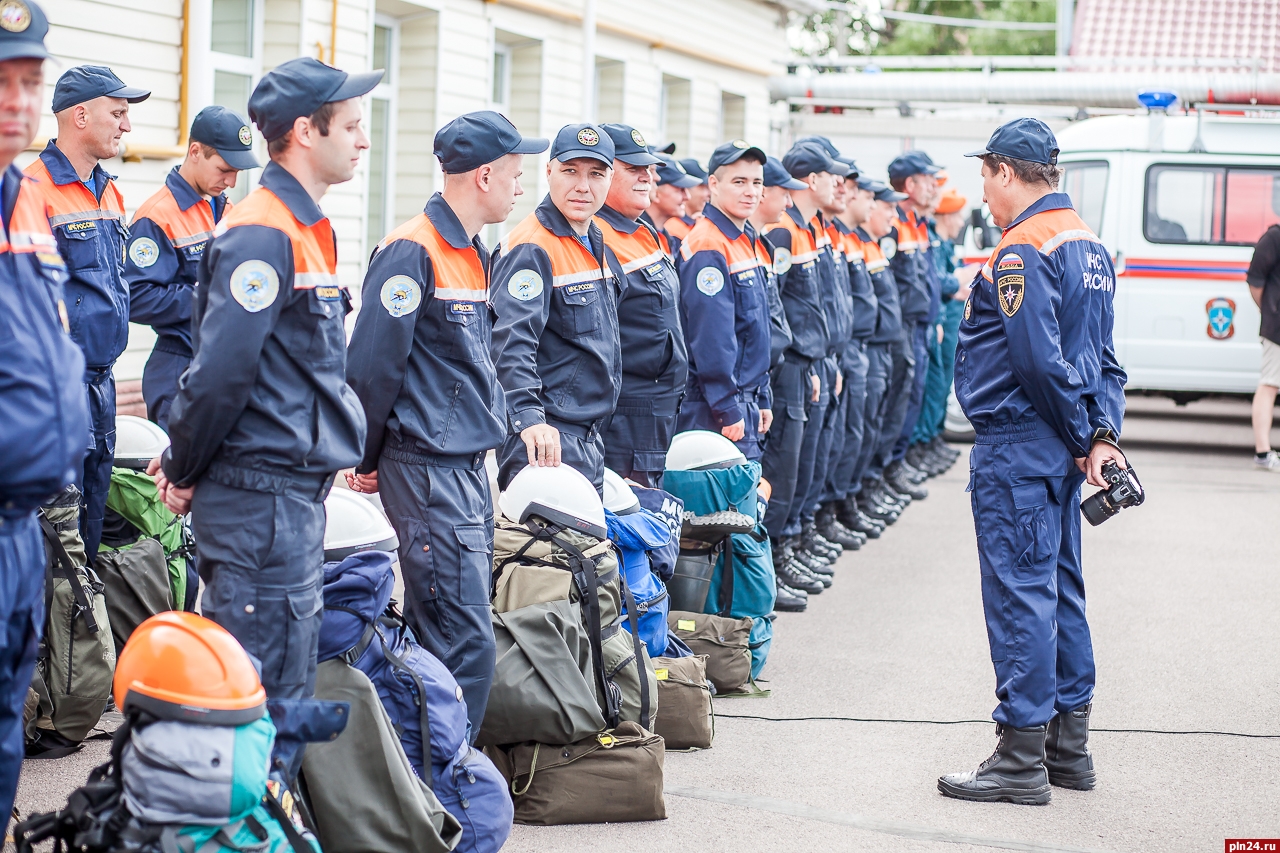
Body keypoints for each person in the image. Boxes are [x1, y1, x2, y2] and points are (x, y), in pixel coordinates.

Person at [153, 58, 379, 723]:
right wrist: (182, 464)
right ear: (307, 132)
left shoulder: (303, 224)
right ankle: (246, 828)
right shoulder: (264, 229)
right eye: (352, 127)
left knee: (281, 694)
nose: (363, 140)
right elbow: (221, 372)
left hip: (283, 498)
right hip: (259, 503)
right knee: (259, 705)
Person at [940, 118, 1127, 804]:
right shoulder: (1090, 243)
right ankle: (1067, 749)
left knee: (1019, 592)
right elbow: (1104, 360)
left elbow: (1038, 362)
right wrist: (1101, 436)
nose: (983, 191)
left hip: (1021, 443)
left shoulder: (1021, 247)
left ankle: (1019, 757)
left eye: (985, 175)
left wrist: (1083, 438)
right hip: (1059, 443)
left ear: (1008, 172)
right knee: (1060, 588)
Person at [345, 111, 545, 739]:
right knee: (462, 641)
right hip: (429, 467)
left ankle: (441, 778)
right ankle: (441, 783)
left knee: (458, 634)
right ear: (484, 175)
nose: (521, 186)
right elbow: (372, 367)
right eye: (516, 173)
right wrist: (366, 457)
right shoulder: (413, 250)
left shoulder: (473, 252)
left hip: (459, 469)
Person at [0, 2, 90, 829]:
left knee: (4, 717)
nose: (16, 102)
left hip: (23, 521)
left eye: (28, 82)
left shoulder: (23, 200)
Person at [26, 64, 150, 559]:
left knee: (91, 520)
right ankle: (45, 635)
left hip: (102, 383)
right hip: (56, 389)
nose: (126, 125)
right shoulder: (30, 191)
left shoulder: (109, 190)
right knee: (53, 527)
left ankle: (83, 632)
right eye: (117, 113)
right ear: (80, 115)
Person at [490, 123, 623, 491]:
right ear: (548, 172)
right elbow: (510, 343)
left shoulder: (594, 240)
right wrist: (528, 418)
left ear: (610, 179)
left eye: (596, 174)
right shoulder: (532, 247)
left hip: (587, 437)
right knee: (548, 549)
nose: (583, 186)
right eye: (570, 172)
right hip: (547, 440)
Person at [124, 105, 260, 431]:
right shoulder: (157, 216)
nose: (231, 180)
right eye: (224, 169)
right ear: (195, 151)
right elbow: (136, 296)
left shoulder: (227, 208)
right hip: (180, 367)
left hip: (224, 363)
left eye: (238, 171)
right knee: (181, 477)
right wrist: (210, 297)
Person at [759, 143, 839, 589]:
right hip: (790, 366)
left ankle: (793, 540)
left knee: (806, 460)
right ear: (812, 179)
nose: (837, 184)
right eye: (831, 176)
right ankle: (776, 553)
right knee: (785, 465)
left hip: (812, 360)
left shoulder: (805, 230)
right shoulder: (783, 232)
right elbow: (778, 307)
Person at [596, 123, 688, 486]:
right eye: (633, 169)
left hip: (656, 410)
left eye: (648, 169)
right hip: (626, 415)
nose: (647, 177)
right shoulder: (596, 236)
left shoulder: (641, 230)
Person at [676, 140, 773, 461]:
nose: (750, 192)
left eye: (757, 182)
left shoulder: (742, 240)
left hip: (746, 397)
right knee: (722, 507)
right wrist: (727, 406)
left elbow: (755, 327)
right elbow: (711, 337)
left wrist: (763, 396)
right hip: (715, 406)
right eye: (739, 182)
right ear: (714, 185)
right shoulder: (708, 244)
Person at [884, 151, 940, 502]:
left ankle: (896, 464)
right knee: (899, 402)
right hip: (902, 328)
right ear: (910, 184)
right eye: (927, 180)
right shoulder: (894, 223)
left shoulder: (916, 223)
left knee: (914, 397)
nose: (934, 187)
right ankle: (888, 468)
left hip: (919, 326)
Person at [856, 182, 911, 528]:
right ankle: (844, 502)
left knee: (878, 423)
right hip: (865, 349)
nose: (893, 215)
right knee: (858, 430)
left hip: (884, 346)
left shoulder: (872, 246)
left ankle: (866, 487)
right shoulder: (855, 245)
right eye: (886, 207)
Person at [909, 187, 973, 469]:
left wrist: (956, 282)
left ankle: (930, 439)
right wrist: (955, 282)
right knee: (930, 384)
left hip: (946, 317)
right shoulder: (932, 239)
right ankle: (921, 443)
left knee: (940, 382)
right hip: (938, 319)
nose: (961, 222)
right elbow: (941, 282)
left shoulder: (941, 242)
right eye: (957, 216)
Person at [1247, 222, 1280, 470]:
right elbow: (1255, 282)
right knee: (1269, 384)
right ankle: (1263, 452)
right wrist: (1270, 312)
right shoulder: (1274, 238)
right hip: (1277, 328)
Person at [649, 152, 698, 260]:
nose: (687, 196)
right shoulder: (641, 236)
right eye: (680, 189)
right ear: (656, 191)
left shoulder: (665, 236)